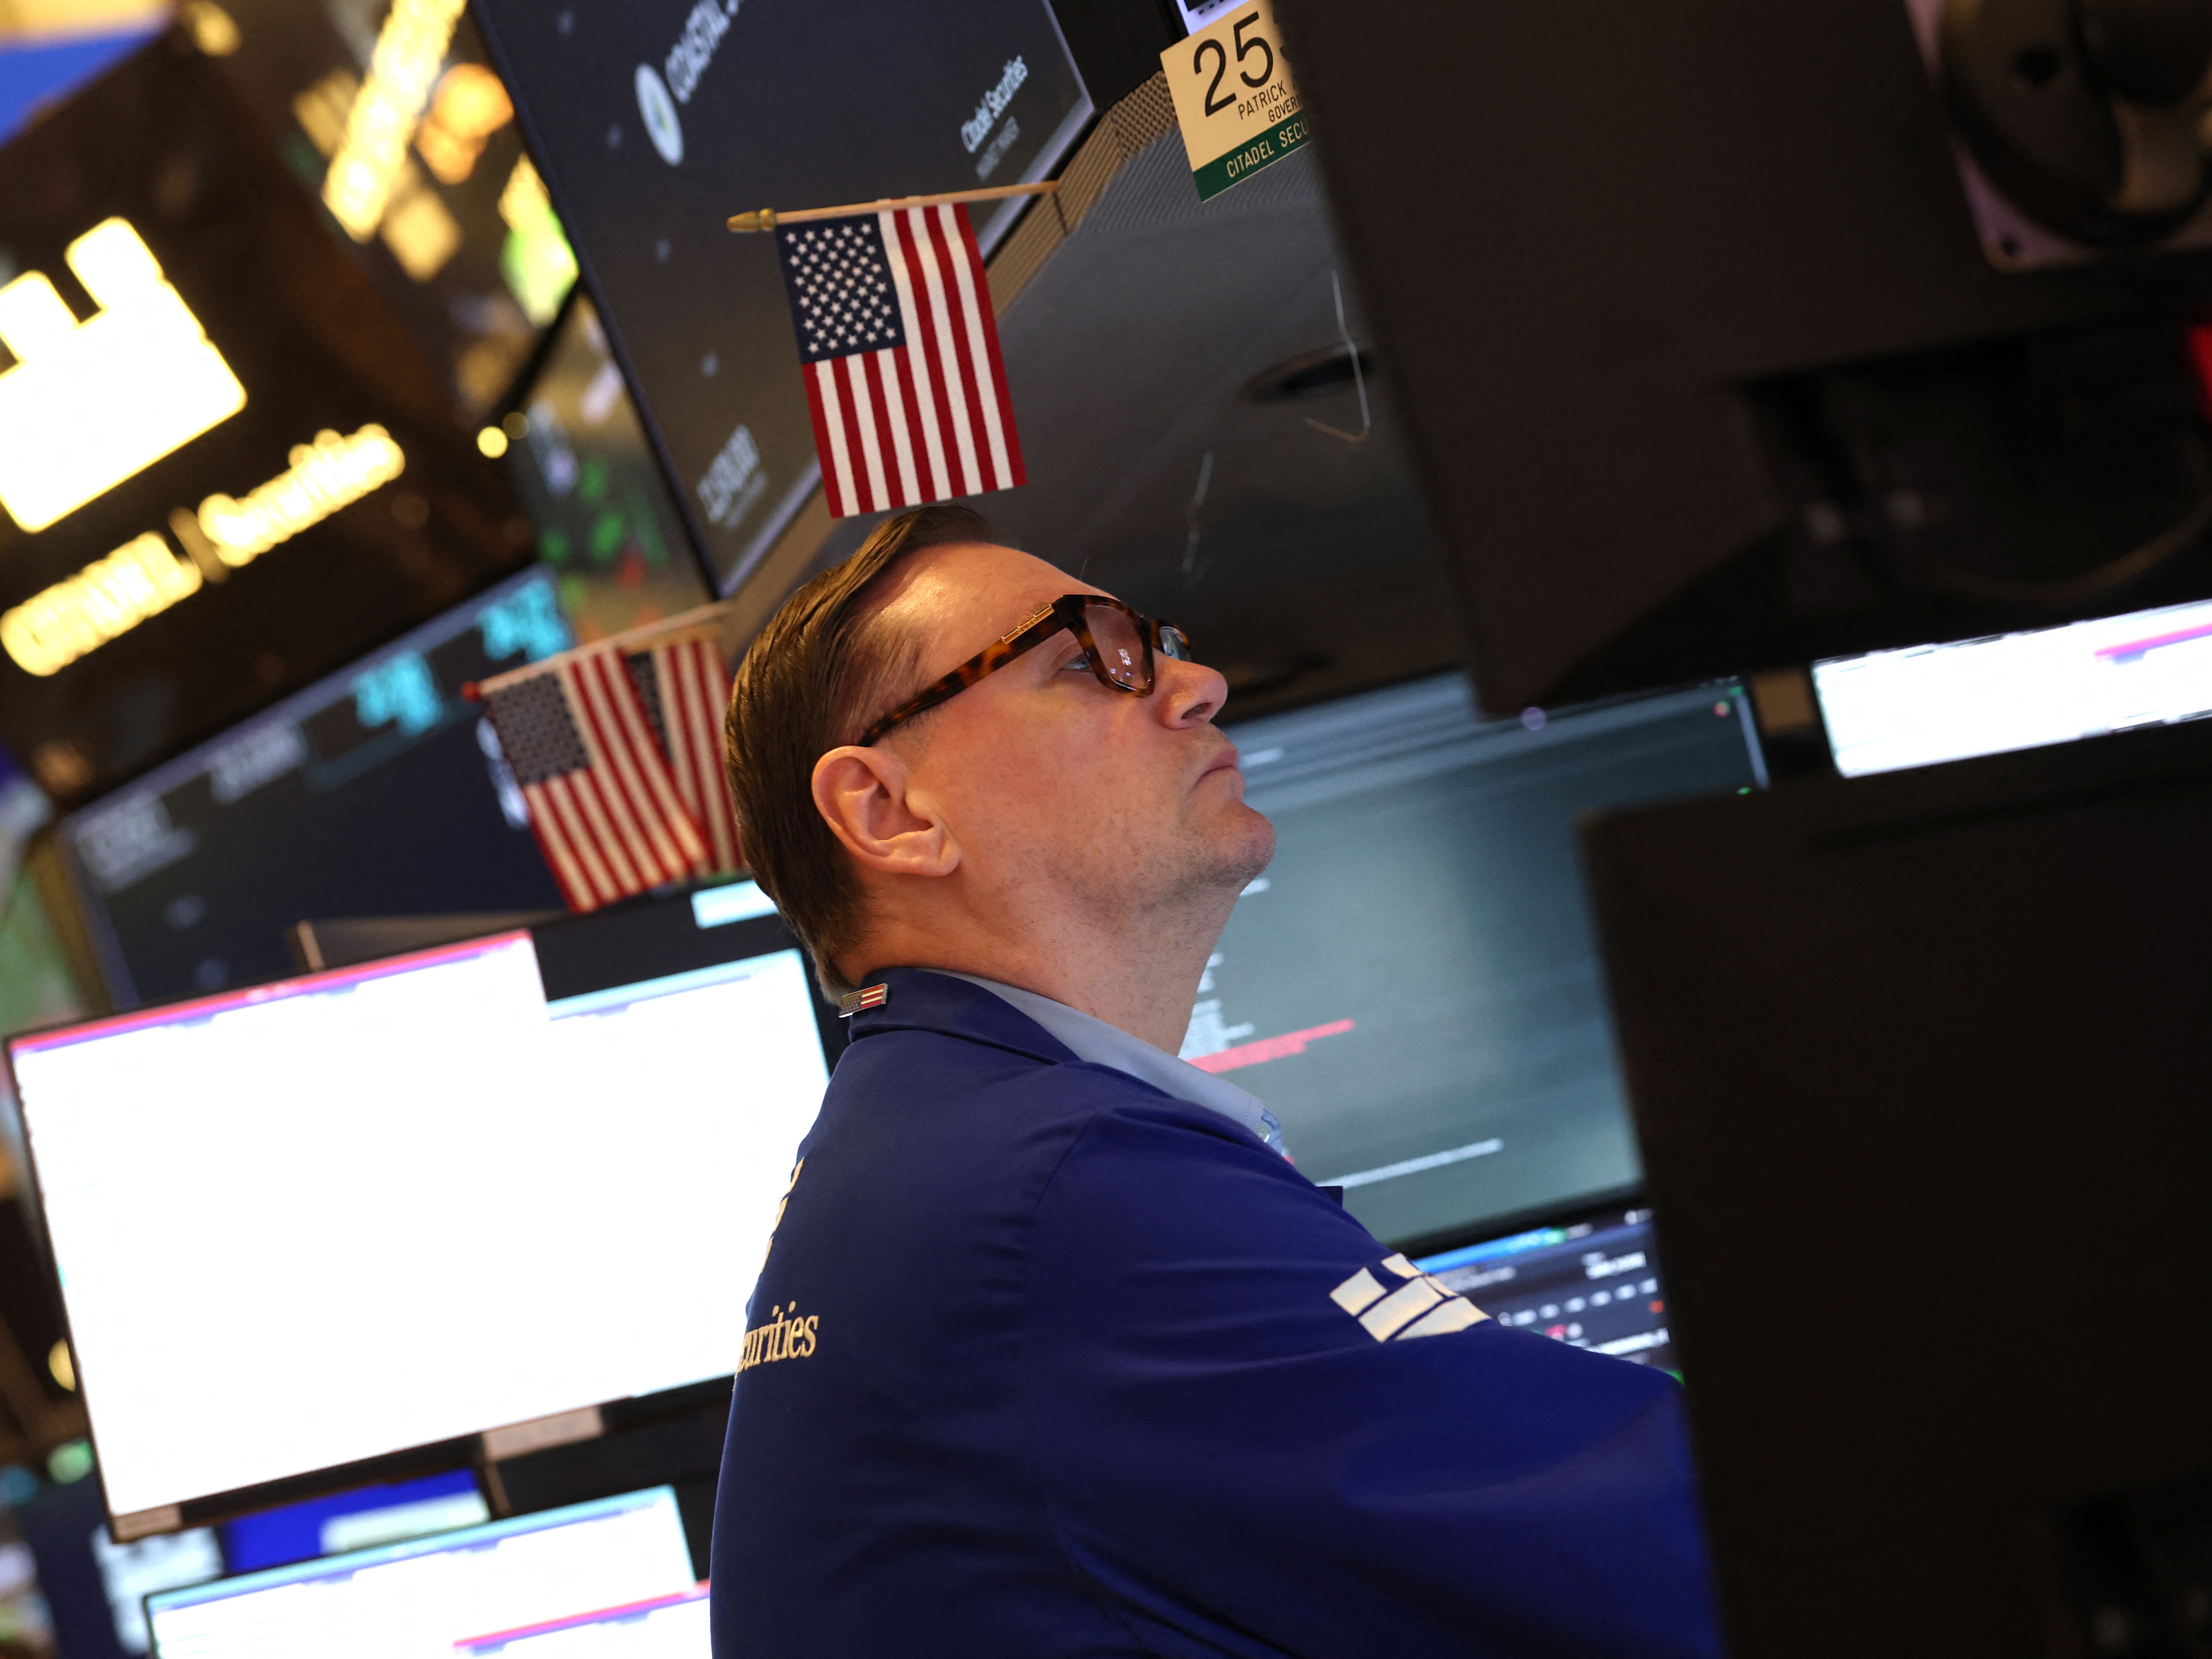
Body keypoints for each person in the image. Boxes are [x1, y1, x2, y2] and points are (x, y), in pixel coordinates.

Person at [708, 504, 1720, 1658]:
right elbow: (1700, 1544)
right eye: (1087, 659)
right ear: (890, 813)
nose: (1199, 686)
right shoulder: (1059, 1188)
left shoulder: (935, 1145)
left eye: (1159, 642)